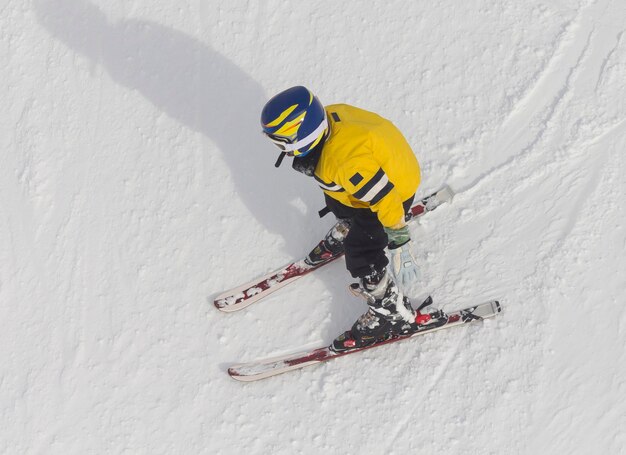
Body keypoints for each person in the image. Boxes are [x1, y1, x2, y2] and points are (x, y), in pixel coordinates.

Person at [260, 86, 427, 351]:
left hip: (393, 192)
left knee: (361, 249)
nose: (279, 147)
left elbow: (384, 198)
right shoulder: (329, 122)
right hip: (375, 173)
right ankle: (350, 221)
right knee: (335, 196)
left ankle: (389, 310)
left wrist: (399, 238)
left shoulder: (345, 163)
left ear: (300, 135)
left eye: (281, 141)